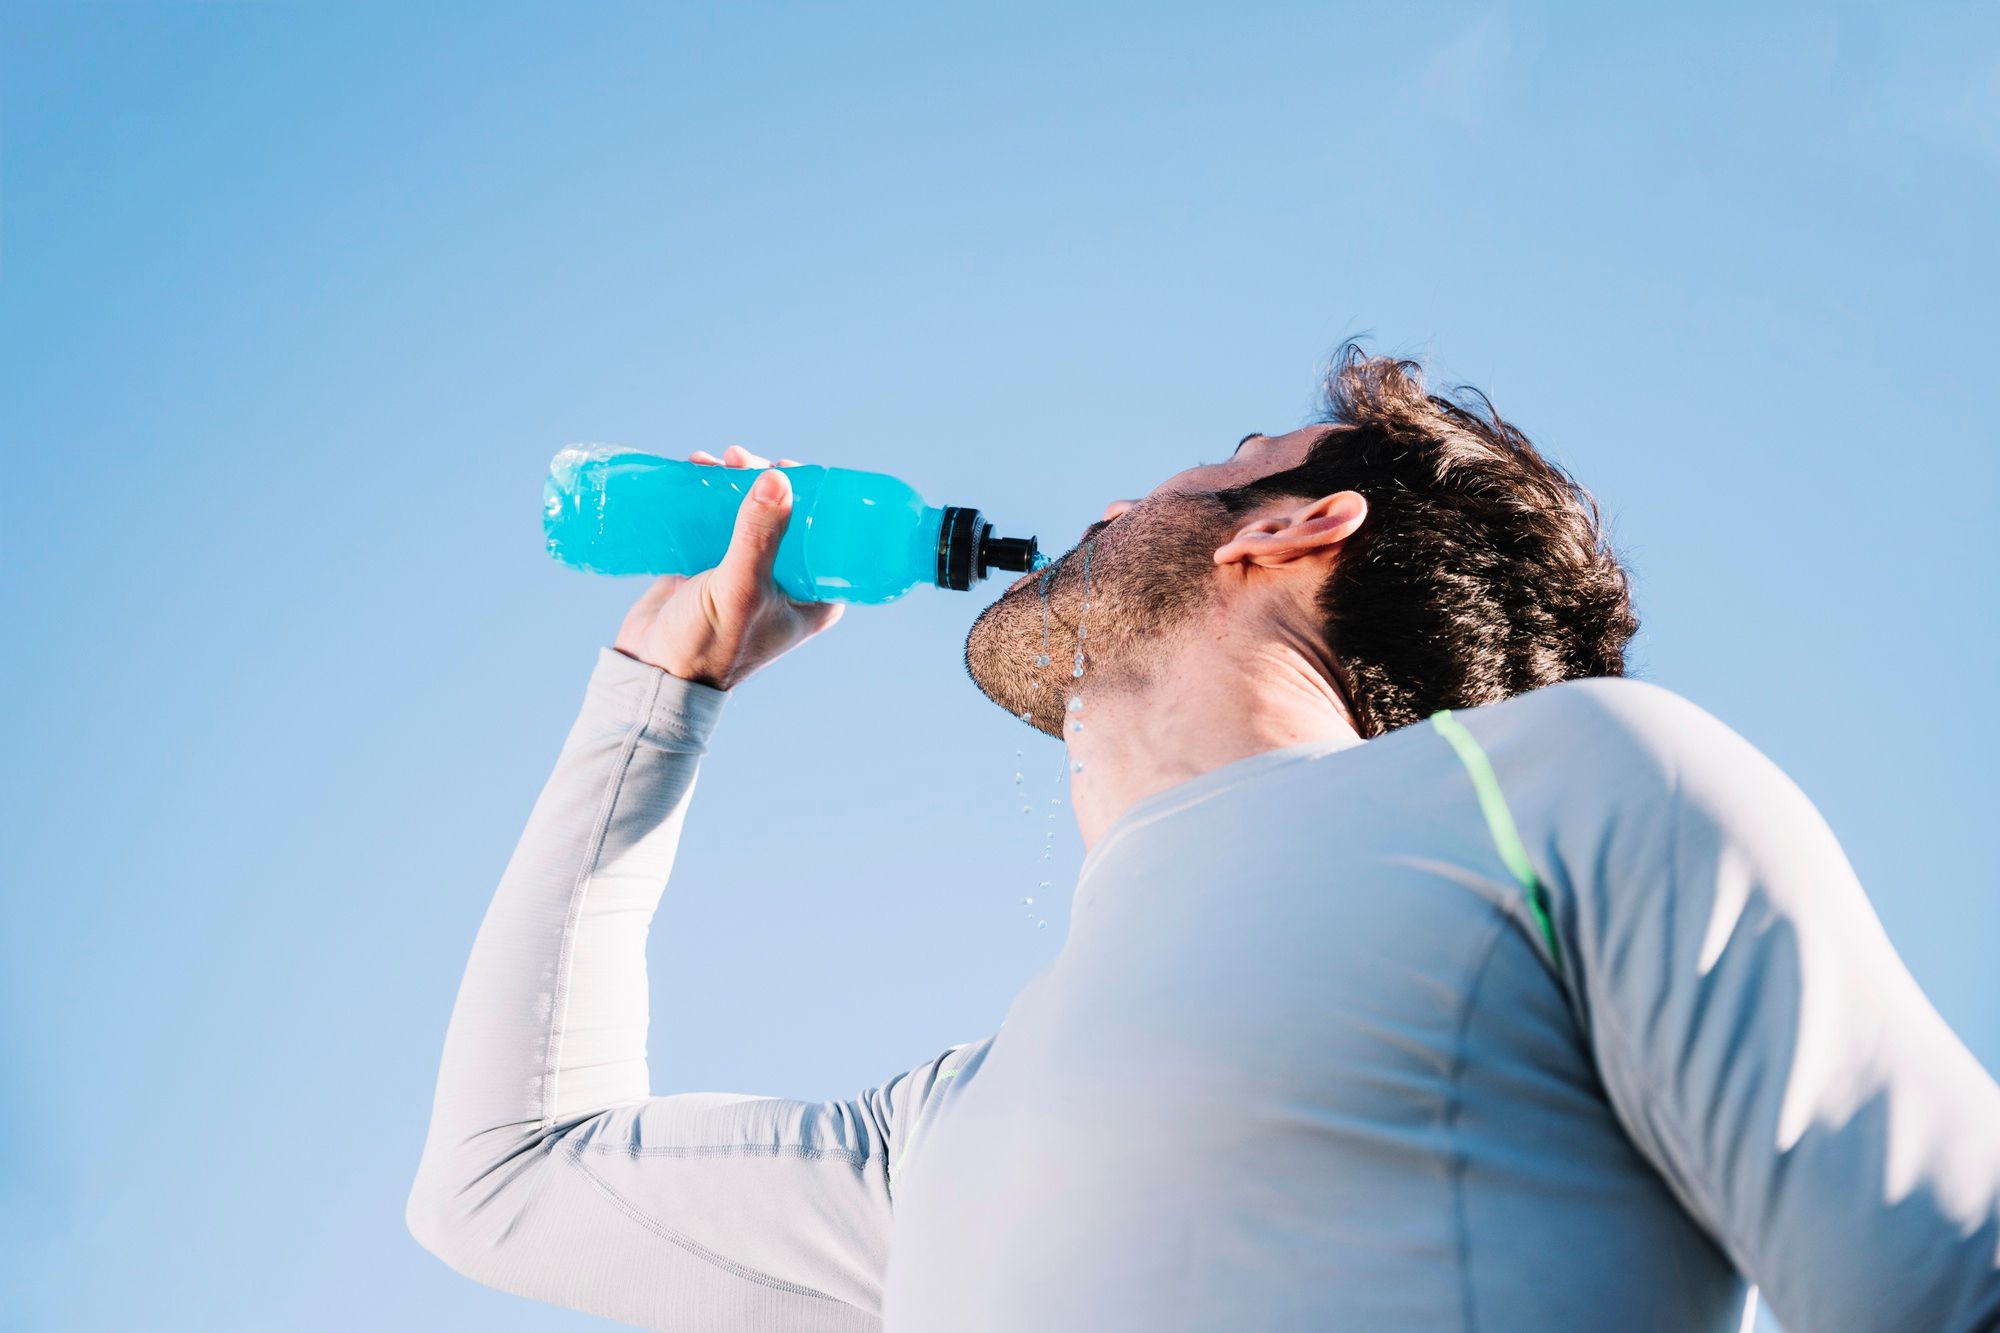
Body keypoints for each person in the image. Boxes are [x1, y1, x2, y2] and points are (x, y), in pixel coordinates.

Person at [405, 345, 2000, 1332]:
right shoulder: (947, 1129)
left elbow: (1951, 1279)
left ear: (1291, 525)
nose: (1113, 502)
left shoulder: (1571, 784)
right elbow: (505, 1180)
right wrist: (658, 685)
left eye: (1211, 464)